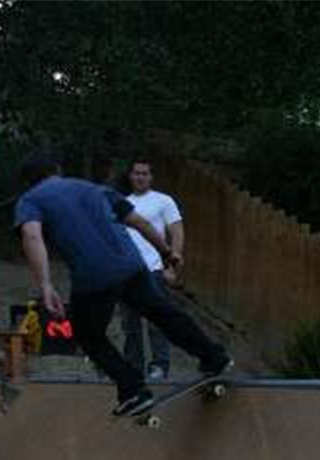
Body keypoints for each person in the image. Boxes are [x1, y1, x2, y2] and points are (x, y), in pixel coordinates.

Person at [14, 153, 232, 417]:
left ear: (28, 181)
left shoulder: (31, 200)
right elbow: (139, 222)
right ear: (57, 170)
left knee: (88, 336)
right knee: (163, 313)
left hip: (94, 277)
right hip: (132, 266)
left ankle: (133, 390)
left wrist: (45, 284)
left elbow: (31, 234)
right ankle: (214, 357)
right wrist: (166, 252)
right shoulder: (94, 189)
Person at [120, 159, 182, 380]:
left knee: (157, 320)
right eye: (137, 173)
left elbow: (176, 231)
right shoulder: (122, 203)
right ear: (130, 176)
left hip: (155, 268)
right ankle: (133, 367)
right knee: (129, 324)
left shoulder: (163, 201)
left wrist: (172, 265)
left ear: (151, 177)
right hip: (127, 271)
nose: (140, 177)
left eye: (145, 173)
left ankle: (159, 366)